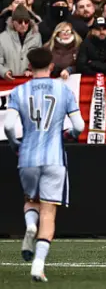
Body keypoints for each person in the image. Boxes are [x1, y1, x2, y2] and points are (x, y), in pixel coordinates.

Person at [3, 47, 85, 282]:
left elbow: (8, 125)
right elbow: (78, 126)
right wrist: (67, 137)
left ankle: (30, 226)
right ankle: (38, 266)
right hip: (54, 157)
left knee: (31, 200)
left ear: (29, 66)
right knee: (48, 213)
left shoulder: (19, 91)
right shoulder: (63, 90)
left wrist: (14, 144)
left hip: (27, 156)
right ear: (51, 66)